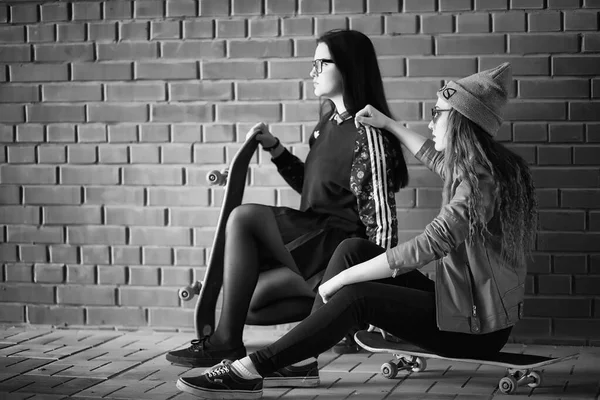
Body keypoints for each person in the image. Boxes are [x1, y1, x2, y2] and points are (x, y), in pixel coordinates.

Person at [174, 62, 539, 399]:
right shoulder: (481, 168)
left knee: (357, 295)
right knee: (352, 248)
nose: (430, 123)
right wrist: (390, 124)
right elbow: (433, 155)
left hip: (474, 330)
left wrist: (336, 282)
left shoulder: (478, 184)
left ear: (460, 121)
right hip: (462, 309)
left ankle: (250, 369)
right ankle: (299, 360)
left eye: (436, 114)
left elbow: (427, 246)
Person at [166, 29, 409, 370]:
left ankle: (226, 343)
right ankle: (326, 319)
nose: (312, 72)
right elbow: (314, 188)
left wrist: (372, 295)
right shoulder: (327, 124)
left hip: (339, 250)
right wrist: (276, 150)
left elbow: (381, 227)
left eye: (320, 63)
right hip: (318, 239)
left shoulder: (368, 135)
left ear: (349, 68)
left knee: (243, 217)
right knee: (247, 302)